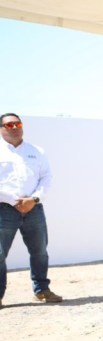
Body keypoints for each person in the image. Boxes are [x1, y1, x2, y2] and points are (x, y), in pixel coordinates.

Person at [0, 113, 62, 307]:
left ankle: (42, 290)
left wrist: (33, 199)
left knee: (40, 252)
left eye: (18, 123)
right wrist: (13, 200)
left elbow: (46, 178)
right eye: (9, 124)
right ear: (1, 128)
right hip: (4, 209)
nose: (15, 127)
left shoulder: (36, 151)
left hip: (34, 208)